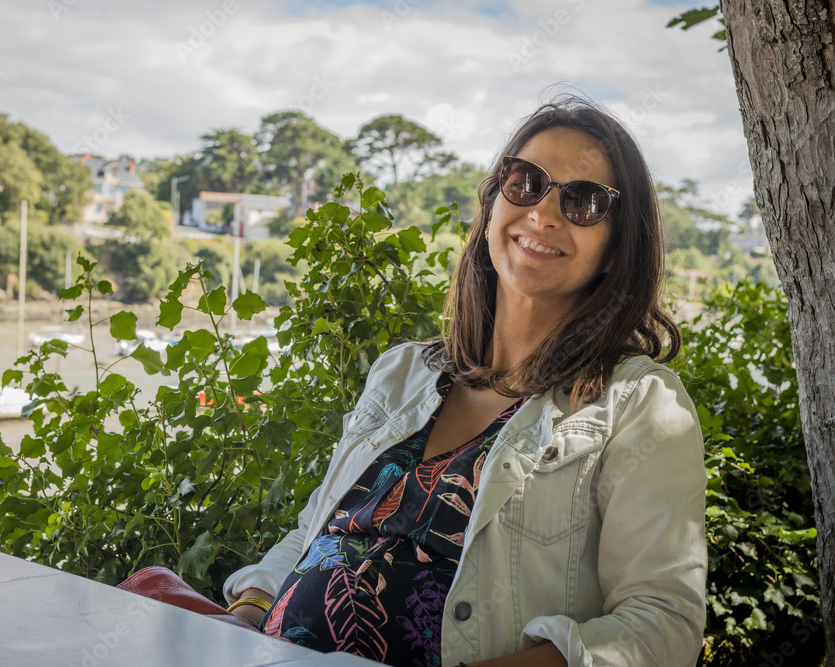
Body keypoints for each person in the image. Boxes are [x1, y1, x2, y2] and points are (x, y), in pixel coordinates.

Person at [223, 97, 707, 667]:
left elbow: (662, 625)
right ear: (495, 201)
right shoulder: (403, 371)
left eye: (584, 202)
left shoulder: (637, 405)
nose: (544, 214)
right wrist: (244, 616)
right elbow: (316, 529)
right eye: (526, 182)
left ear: (616, 248)